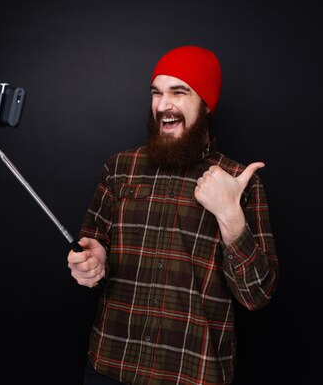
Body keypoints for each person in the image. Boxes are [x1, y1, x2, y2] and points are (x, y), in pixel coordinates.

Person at [67, 45, 279, 385]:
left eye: (178, 93)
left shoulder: (238, 182)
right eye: (157, 93)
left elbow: (256, 296)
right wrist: (91, 264)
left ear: (206, 104)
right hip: (110, 365)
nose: (163, 105)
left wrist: (229, 214)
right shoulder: (120, 168)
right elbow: (94, 251)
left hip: (191, 374)